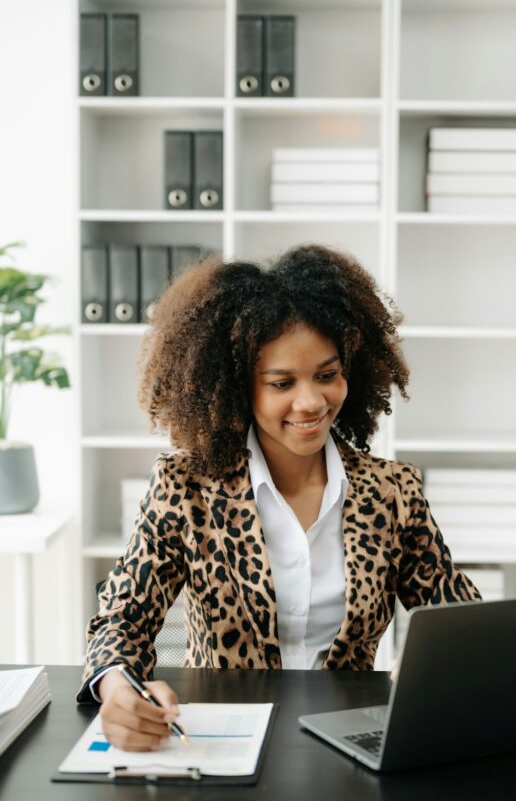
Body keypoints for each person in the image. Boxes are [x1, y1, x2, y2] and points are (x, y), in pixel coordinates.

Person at [78, 244, 481, 750]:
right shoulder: (186, 488)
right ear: (236, 388)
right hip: (221, 743)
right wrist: (117, 687)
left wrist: (431, 661)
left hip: (350, 744)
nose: (311, 401)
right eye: (281, 382)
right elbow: (121, 617)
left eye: (327, 375)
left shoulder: (393, 492)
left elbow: (457, 615)